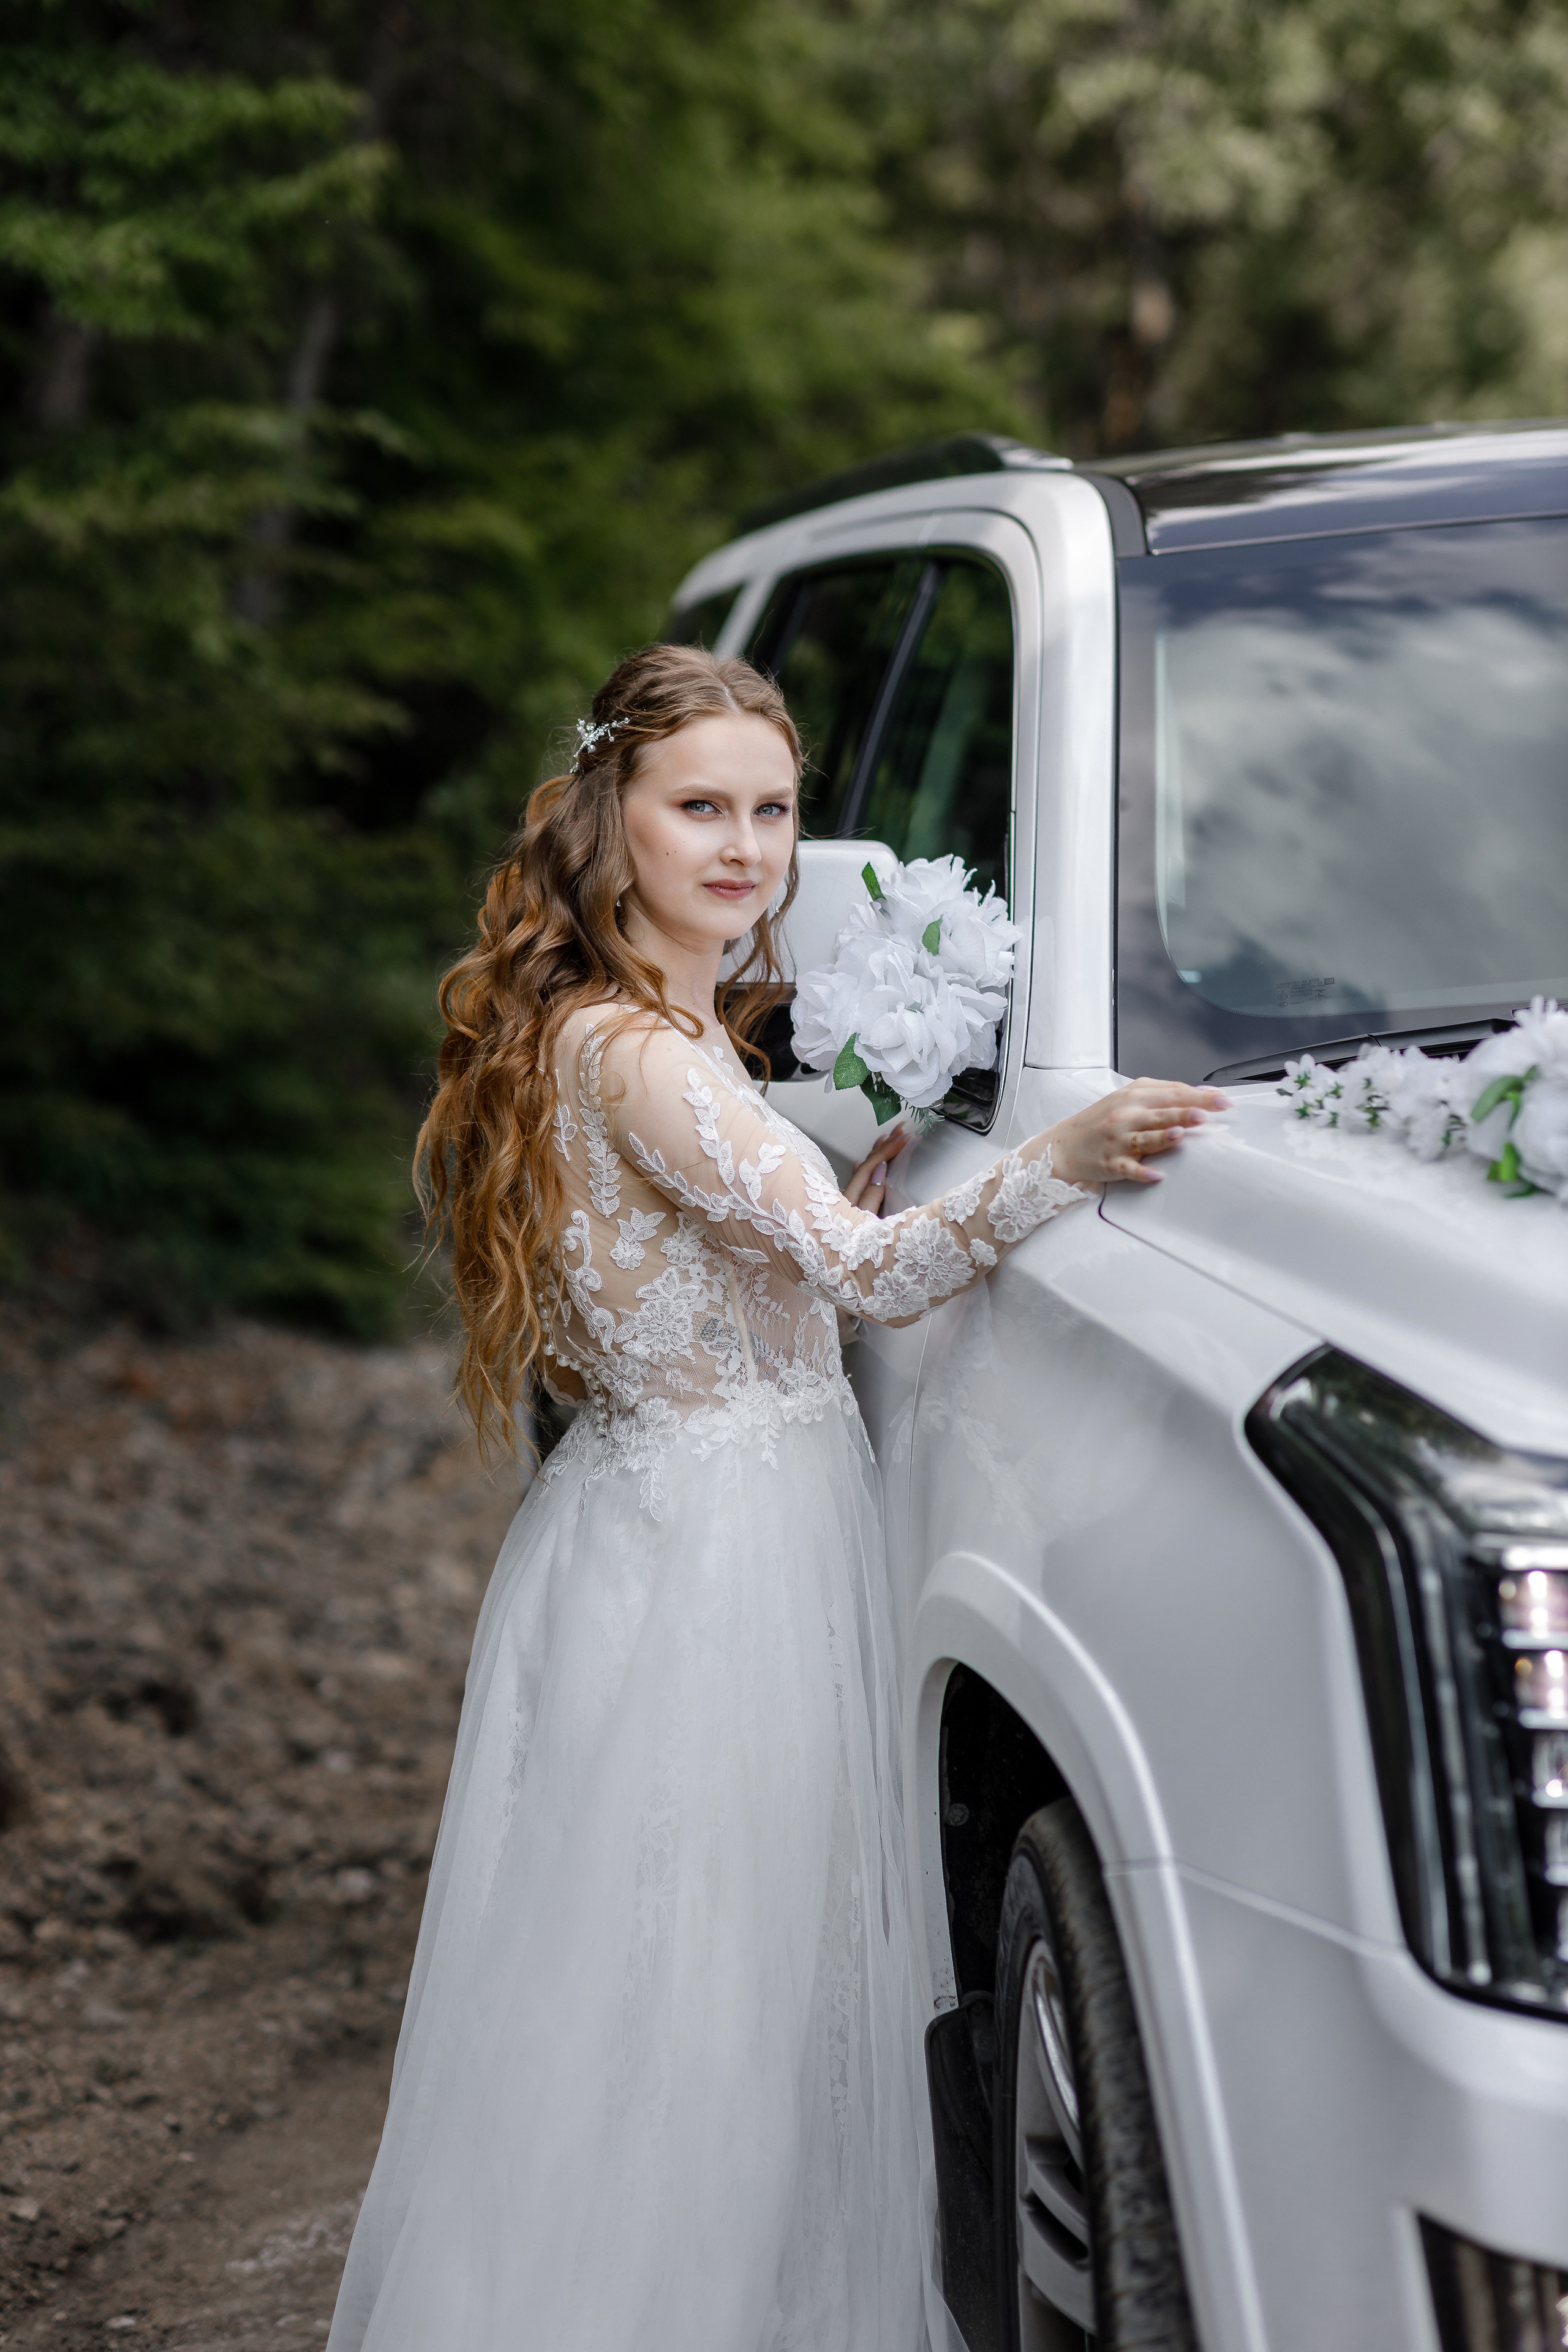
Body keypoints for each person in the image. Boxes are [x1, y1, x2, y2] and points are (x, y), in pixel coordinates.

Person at [325, 644, 1222, 2352]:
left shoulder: (651, 1032)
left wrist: (824, 1169)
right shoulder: (644, 1056)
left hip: (680, 1520)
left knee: (690, 1987)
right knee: (707, 1998)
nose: (743, 847)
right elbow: (877, 1282)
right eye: (699, 808)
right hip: (719, 1555)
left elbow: (762, 1234)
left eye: (774, 810)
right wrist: (1069, 1157)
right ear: (611, 823)